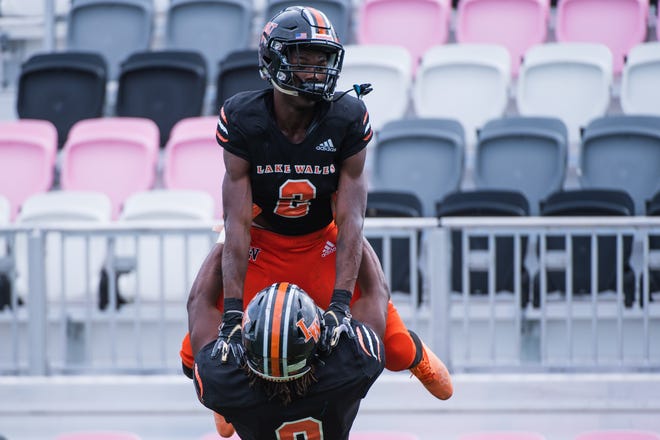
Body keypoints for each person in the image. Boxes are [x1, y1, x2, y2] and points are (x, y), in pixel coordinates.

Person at [181, 4, 453, 435]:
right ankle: (227, 395)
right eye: (305, 58)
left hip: (322, 240)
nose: (317, 69)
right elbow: (236, 224)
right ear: (274, 60)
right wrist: (235, 311)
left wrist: (339, 306)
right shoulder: (246, 118)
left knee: (208, 353)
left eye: (323, 58)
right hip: (264, 242)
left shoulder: (345, 116)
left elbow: (351, 222)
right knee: (195, 351)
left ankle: (225, 395)